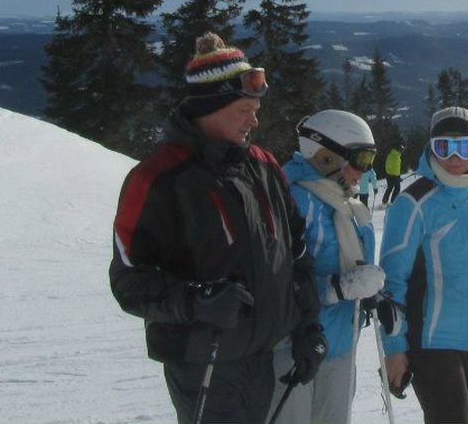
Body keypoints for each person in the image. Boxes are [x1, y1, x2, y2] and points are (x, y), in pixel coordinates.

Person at [110, 33, 326, 424]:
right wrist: (198, 299)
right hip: (202, 363)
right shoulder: (158, 178)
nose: (254, 119)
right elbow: (129, 281)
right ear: (210, 107)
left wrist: (307, 327)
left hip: (260, 357)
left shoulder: (263, 166)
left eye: (256, 108)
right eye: (245, 109)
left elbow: (296, 254)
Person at [378, 106, 468, 424]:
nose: (454, 157)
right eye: (444, 147)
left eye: (464, 147)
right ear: (431, 147)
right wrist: (395, 348)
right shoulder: (413, 203)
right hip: (430, 341)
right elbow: (392, 281)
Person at [270, 110, 385, 424]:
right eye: (360, 159)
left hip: (341, 341)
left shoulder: (348, 204)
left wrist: (369, 292)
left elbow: (357, 265)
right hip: (294, 344)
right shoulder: (291, 200)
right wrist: (338, 288)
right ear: (326, 156)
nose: (365, 170)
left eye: (370, 160)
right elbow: (276, 277)